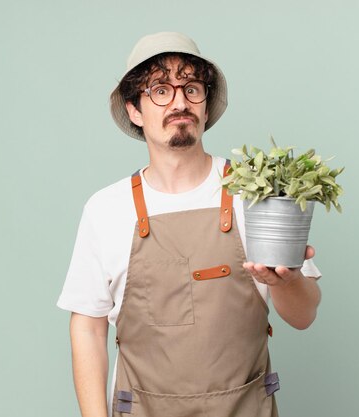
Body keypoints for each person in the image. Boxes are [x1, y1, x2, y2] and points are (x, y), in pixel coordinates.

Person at [57, 32, 322, 417]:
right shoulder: (105, 210)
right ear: (134, 109)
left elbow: (304, 316)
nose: (180, 102)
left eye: (192, 88)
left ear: (205, 104)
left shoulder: (258, 194)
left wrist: (288, 281)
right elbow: (88, 327)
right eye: (161, 90)